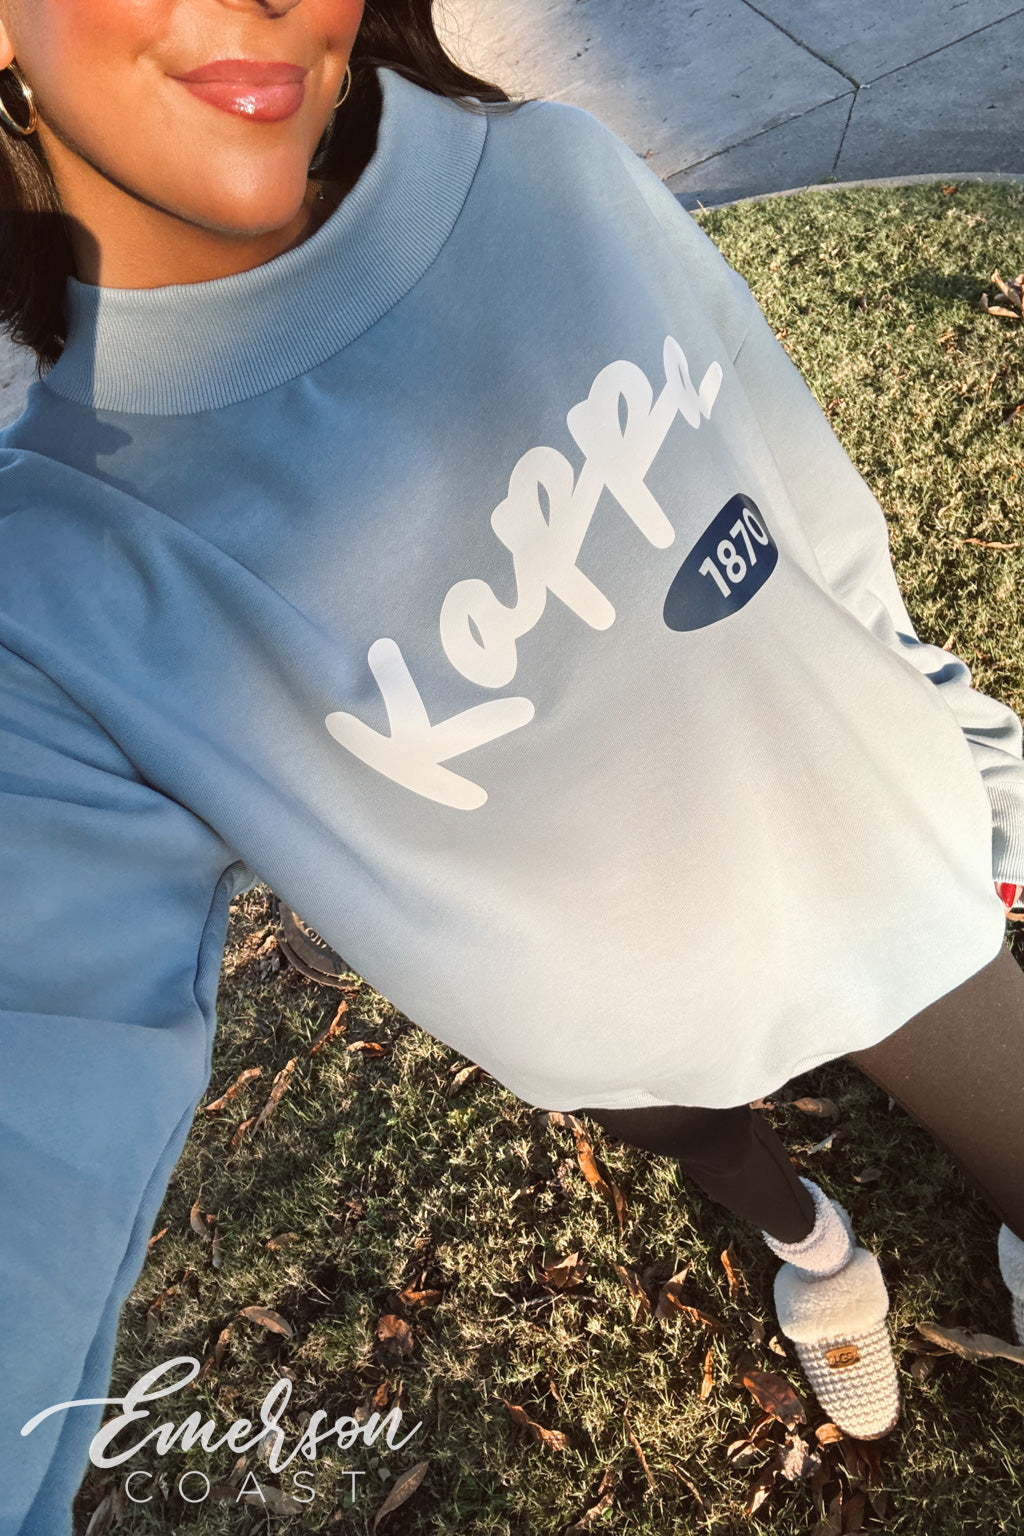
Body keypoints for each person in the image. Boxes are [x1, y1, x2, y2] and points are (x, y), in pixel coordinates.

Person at [0, 0, 1022, 1528]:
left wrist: (969, 747)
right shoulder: (57, 577)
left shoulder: (552, 172)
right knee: (721, 1153)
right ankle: (814, 1248)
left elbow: (804, 510)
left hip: (873, 851)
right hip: (619, 1030)